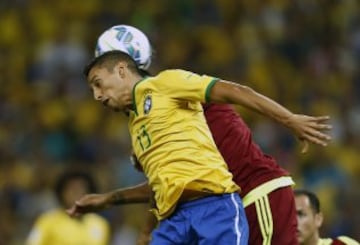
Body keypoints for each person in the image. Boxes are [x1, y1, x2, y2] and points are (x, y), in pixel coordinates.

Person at [68, 46, 333, 244]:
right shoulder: (138, 127)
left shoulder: (167, 84)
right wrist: (116, 204)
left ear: (122, 70)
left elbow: (234, 91)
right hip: (178, 217)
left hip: (243, 195)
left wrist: (290, 119)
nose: (97, 95)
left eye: (98, 84)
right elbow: (163, 185)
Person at [26, 169, 110, 245]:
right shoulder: (47, 221)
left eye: (81, 189)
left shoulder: (100, 225)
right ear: (62, 193)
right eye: (72, 189)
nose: (76, 193)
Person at [294, 189, 359, 245]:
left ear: (318, 219)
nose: (294, 221)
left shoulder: (342, 244)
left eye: (300, 214)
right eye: (290, 216)